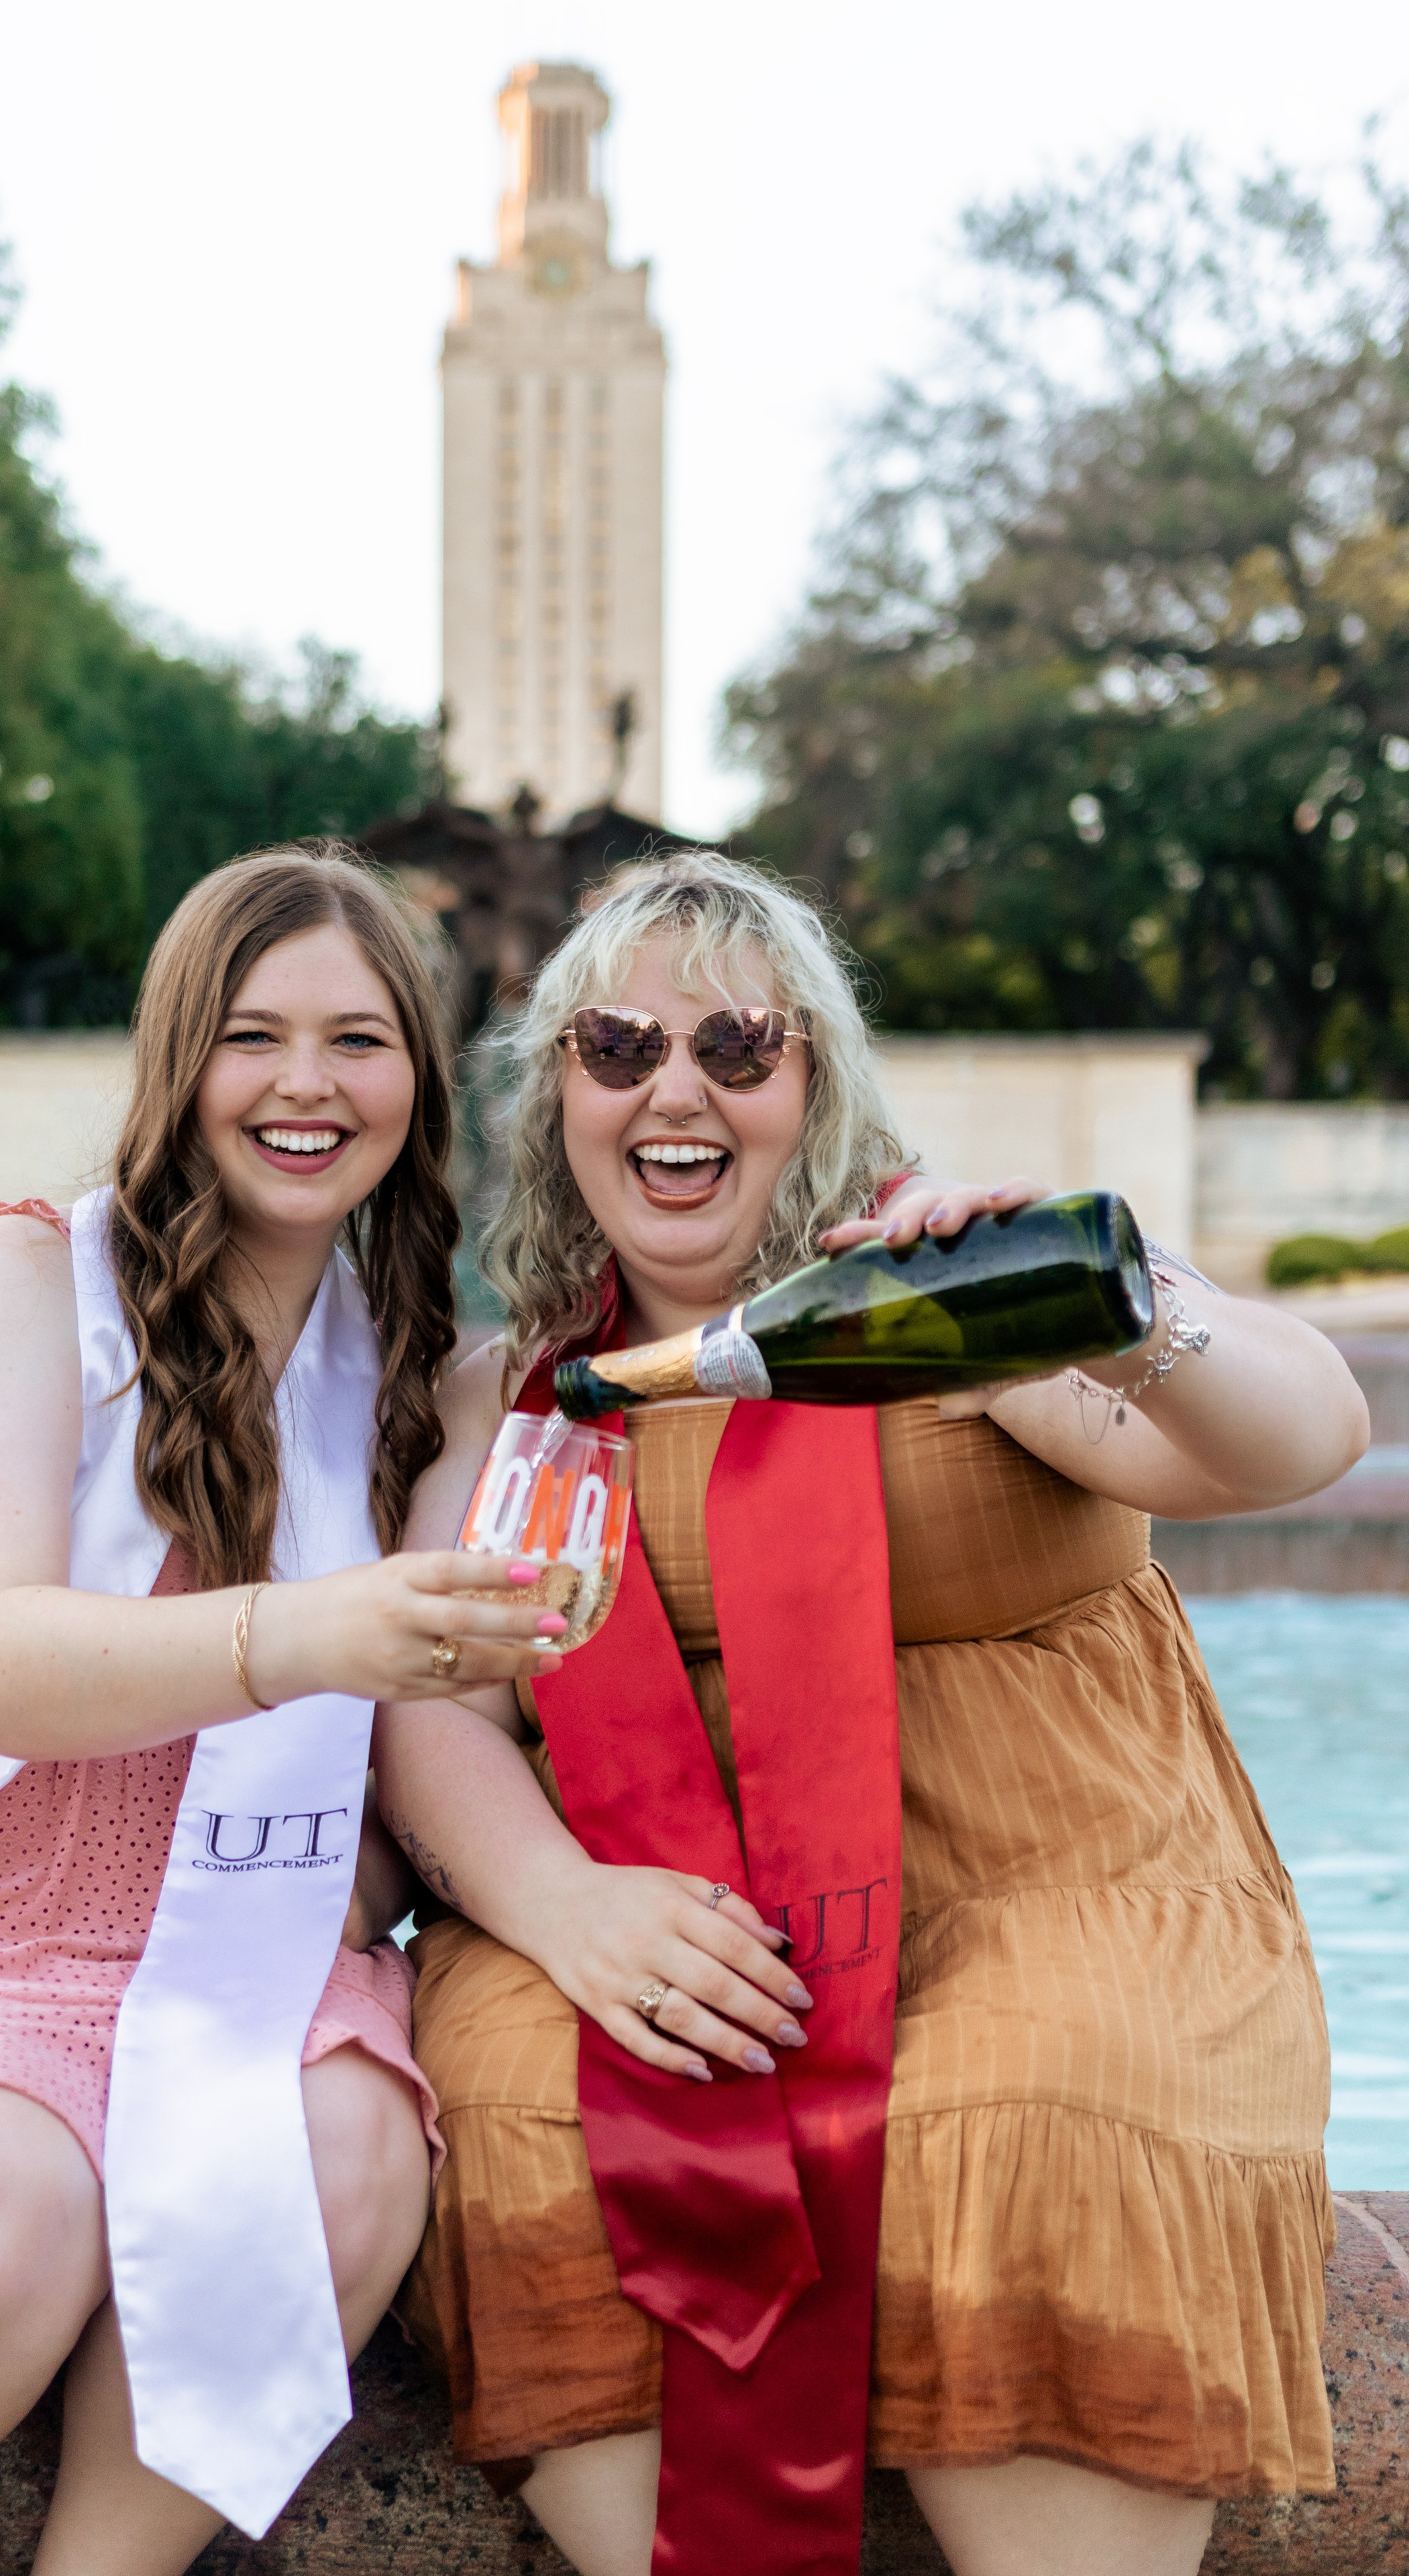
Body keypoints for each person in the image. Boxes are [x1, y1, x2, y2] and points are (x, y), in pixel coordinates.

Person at [374, 852, 1367, 2576]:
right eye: (617, 1048)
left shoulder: (937, 1300)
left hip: (1047, 1869)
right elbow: (434, 1702)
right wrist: (558, 1907)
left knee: (1037, 2104)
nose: (673, 1088)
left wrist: (1090, 1297)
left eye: (737, 1049)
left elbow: (1303, 1443)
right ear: (560, 1099)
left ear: (810, 1085)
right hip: (646, 1902)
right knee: (533, 2101)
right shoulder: (509, 1388)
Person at [0, 848, 567, 2576]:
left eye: (360, 1040)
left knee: (347, 2159)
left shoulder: (420, 1370)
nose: (307, 1086)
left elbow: (441, 1735)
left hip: (263, 1941)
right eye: (253, 1036)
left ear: (420, 1076)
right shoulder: (19, 1288)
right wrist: (318, 1630)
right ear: (179, 1057)